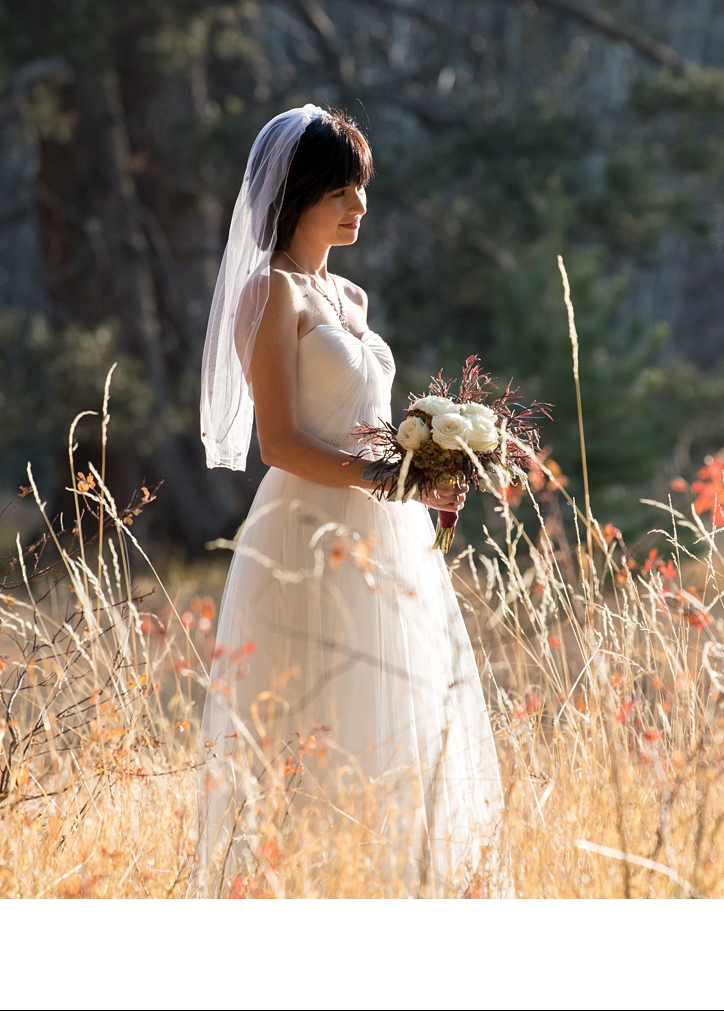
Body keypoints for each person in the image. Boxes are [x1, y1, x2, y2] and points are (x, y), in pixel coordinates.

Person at [194, 105, 507, 897]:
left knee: (392, 719)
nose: (359, 207)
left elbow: (369, 428)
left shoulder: (353, 297)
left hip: (383, 535)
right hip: (302, 533)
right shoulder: (270, 292)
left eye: (360, 189)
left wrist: (431, 466)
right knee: (306, 726)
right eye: (341, 191)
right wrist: (394, 480)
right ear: (297, 194)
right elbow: (281, 443)